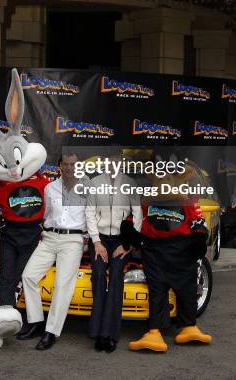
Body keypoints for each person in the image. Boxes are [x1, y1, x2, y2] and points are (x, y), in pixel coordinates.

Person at [121, 161, 212, 353]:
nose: (165, 185)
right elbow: (133, 221)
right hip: (154, 252)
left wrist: (198, 240)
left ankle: (188, 326)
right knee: (157, 292)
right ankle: (155, 332)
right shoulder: (146, 203)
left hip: (182, 251)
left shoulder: (188, 202)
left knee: (187, 289)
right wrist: (131, 234)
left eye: (169, 180)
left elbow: (198, 222)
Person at [18, 150, 89, 350]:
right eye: (65, 164)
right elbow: (47, 213)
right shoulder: (50, 188)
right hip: (49, 238)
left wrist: (89, 239)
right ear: (60, 166)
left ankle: (51, 332)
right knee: (28, 276)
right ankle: (35, 322)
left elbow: (92, 215)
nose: (69, 168)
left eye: (73, 164)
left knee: (62, 286)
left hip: (73, 240)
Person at [85, 148, 143, 353]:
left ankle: (110, 334)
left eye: (116, 159)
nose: (113, 162)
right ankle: (97, 333)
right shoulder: (94, 183)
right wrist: (96, 242)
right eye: (109, 159)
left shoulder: (130, 183)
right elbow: (89, 213)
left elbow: (137, 215)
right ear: (104, 161)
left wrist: (126, 244)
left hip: (120, 240)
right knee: (99, 274)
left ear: (121, 161)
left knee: (117, 275)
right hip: (99, 240)